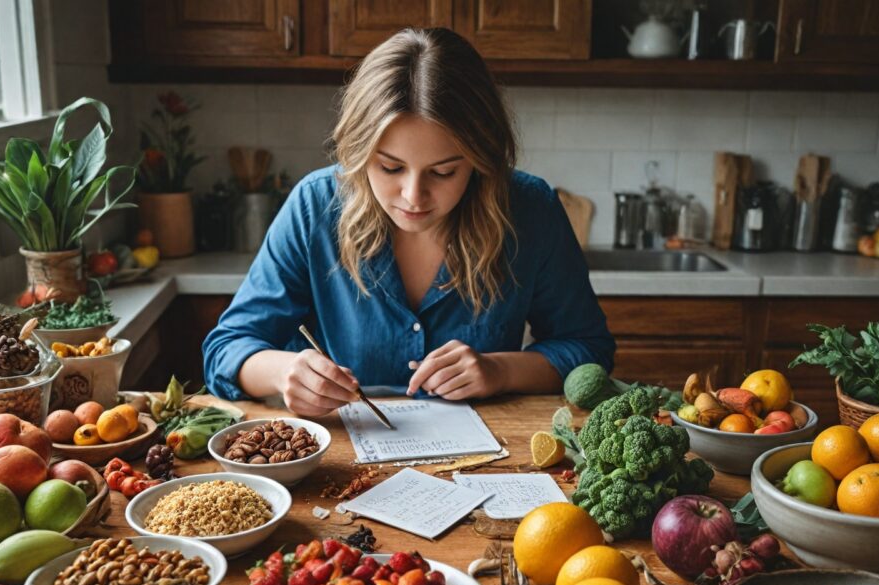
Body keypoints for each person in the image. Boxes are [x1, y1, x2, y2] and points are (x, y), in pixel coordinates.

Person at [203, 27, 614, 418]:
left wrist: (500, 370)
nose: (413, 196)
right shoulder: (315, 205)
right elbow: (226, 349)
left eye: (444, 172)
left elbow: (588, 348)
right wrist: (284, 372)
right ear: (359, 152)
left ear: (480, 160)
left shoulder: (530, 209)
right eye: (390, 167)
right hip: (343, 450)